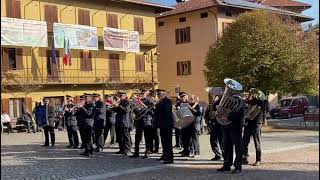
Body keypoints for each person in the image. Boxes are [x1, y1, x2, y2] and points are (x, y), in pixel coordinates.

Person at [217, 88, 245, 174]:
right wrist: (217, 106)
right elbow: (215, 105)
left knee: (238, 147)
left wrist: (228, 117)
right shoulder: (224, 98)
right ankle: (227, 165)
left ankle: (238, 166)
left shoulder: (239, 100)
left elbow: (239, 112)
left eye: (230, 89)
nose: (227, 91)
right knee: (227, 146)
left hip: (235, 126)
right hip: (225, 125)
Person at [242, 88, 265, 166]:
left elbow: (263, 105)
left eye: (251, 93)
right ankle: (244, 158)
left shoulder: (261, 101)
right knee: (244, 142)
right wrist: (247, 100)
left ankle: (258, 160)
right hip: (248, 123)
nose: (250, 95)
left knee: (257, 142)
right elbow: (244, 109)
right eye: (250, 93)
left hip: (257, 123)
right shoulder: (250, 101)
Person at [131, 89, 154, 158]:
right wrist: (134, 107)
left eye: (143, 93)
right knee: (137, 138)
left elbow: (152, 112)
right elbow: (135, 112)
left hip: (146, 121)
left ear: (146, 93)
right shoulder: (136, 101)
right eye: (140, 93)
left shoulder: (149, 100)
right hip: (139, 121)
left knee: (147, 138)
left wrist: (142, 104)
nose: (141, 94)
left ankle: (147, 152)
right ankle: (136, 152)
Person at [205, 88, 224, 161]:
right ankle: (218, 155)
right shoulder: (215, 99)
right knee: (213, 140)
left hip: (221, 122)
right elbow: (211, 109)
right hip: (214, 123)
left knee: (221, 140)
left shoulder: (223, 99)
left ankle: (225, 155)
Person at [155, 89, 174, 164]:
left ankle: (170, 158)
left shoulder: (167, 101)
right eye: (158, 94)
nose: (158, 96)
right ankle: (164, 155)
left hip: (167, 124)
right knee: (163, 141)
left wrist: (158, 105)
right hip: (162, 124)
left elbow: (166, 110)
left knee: (168, 142)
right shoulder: (160, 102)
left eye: (159, 94)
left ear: (163, 94)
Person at [113, 91, 132, 155]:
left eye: (120, 96)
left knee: (126, 137)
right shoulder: (120, 102)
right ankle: (121, 149)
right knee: (120, 137)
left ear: (124, 96)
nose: (119, 97)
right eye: (119, 96)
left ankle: (127, 149)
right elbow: (117, 110)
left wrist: (118, 105)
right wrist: (114, 107)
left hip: (124, 121)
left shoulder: (127, 101)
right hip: (119, 121)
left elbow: (126, 110)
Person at [176, 92, 192, 157]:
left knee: (188, 138)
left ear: (186, 97)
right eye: (181, 97)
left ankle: (188, 151)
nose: (182, 98)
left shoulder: (189, 103)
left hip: (188, 122)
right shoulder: (179, 103)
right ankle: (185, 149)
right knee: (183, 137)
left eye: (183, 97)